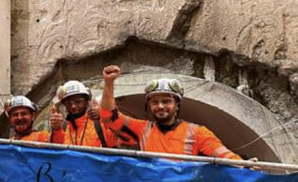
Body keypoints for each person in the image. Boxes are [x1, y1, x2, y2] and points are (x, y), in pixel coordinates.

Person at [99, 66, 242, 159]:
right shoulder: (142, 129)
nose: (160, 106)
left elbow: (222, 154)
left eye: (166, 101)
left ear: (177, 104)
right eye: (155, 102)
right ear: (149, 106)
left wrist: (243, 164)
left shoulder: (197, 132)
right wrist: (109, 82)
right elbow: (108, 116)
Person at [49, 80, 118, 148]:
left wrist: (106, 115)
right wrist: (56, 129)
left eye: (78, 101)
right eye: (68, 103)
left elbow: (122, 134)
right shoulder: (64, 127)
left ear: (86, 102)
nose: (73, 106)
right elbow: (57, 151)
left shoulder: (100, 124)